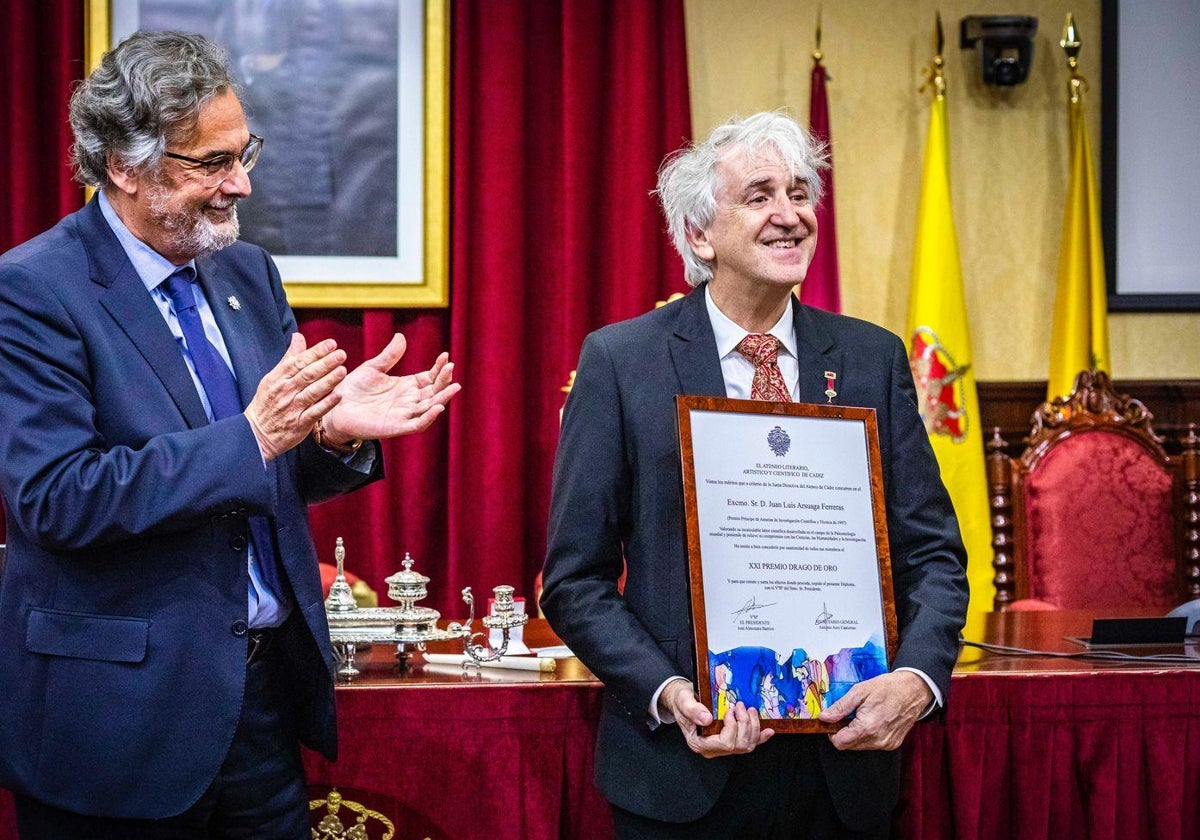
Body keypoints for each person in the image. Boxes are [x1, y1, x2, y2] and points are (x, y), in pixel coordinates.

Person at [0, 31, 459, 838]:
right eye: (211, 164)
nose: (240, 183)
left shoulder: (246, 272)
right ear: (124, 166)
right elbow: (58, 499)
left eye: (244, 153)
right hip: (117, 725)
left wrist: (330, 438)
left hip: (258, 706)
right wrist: (254, 436)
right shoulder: (34, 290)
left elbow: (264, 470)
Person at [541, 111, 968, 839]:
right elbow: (573, 581)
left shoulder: (872, 358)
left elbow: (934, 554)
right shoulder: (622, 363)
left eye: (800, 194)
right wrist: (670, 692)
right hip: (684, 774)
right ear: (701, 236)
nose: (790, 216)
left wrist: (917, 681)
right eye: (761, 195)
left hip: (846, 772)